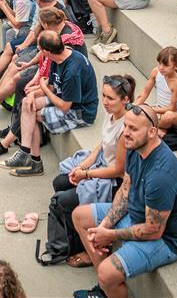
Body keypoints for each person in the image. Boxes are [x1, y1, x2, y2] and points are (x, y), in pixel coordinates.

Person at [69, 104, 177, 298]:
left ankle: (106, 280)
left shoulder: (161, 175)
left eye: (133, 128)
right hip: (137, 214)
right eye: (125, 126)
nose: (125, 133)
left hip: (165, 239)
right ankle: (106, 287)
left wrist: (110, 235)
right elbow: (125, 192)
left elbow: (153, 230)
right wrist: (104, 227)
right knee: (80, 216)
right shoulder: (134, 147)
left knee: (106, 272)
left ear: (152, 132)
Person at [43, 73, 134, 266]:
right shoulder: (111, 116)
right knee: (60, 181)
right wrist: (82, 166)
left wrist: (86, 174)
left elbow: (118, 170)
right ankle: (73, 235)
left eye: (110, 98)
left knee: (63, 201)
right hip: (100, 167)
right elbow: (101, 146)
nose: (105, 102)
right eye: (104, 96)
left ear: (125, 99)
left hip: (113, 182)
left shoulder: (126, 128)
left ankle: (83, 247)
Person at [0, 30, 98, 177]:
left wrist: (43, 88)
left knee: (32, 113)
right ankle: (26, 153)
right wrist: (33, 94)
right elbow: (53, 86)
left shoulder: (72, 70)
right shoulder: (57, 58)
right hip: (63, 99)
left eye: (39, 49)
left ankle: (33, 161)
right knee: (27, 102)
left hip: (80, 112)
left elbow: (65, 106)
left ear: (46, 51)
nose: (38, 51)